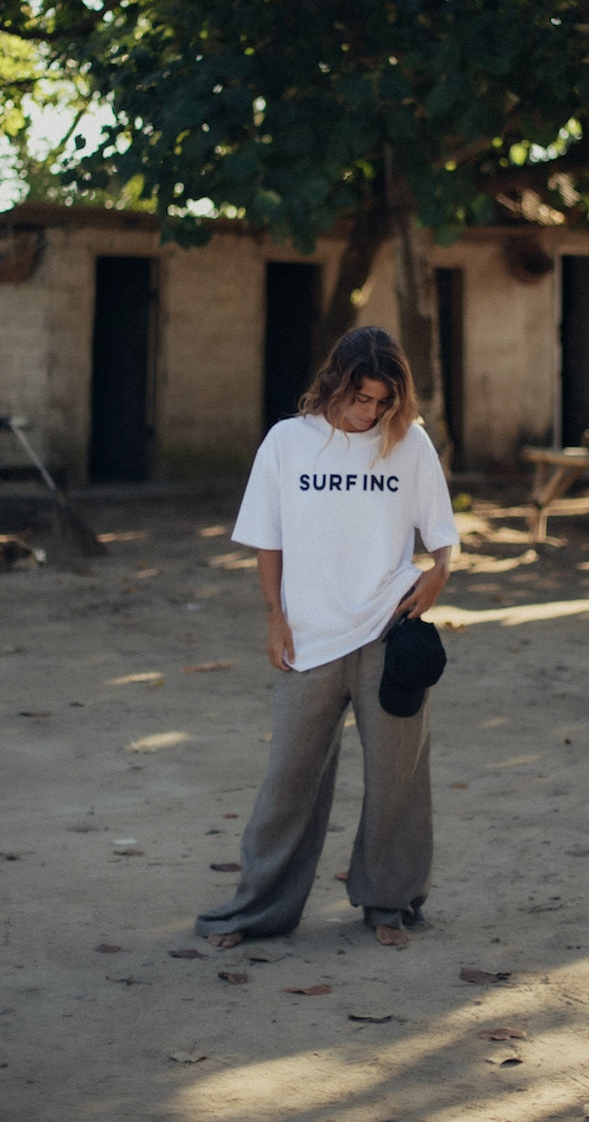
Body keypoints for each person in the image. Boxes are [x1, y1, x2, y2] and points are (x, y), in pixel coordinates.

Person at [195, 325, 458, 950]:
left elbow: (442, 534)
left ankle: (389, 904)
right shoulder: (288, 442)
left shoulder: (409, 444)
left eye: (382, 402)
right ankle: (258, 909)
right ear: (334, 383)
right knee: (289, 778)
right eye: (360, 397)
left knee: (398, 778)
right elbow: (269, 537)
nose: (369, 412)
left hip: (389, 632)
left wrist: (439, 575)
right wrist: (274, 616)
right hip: (309, 636)